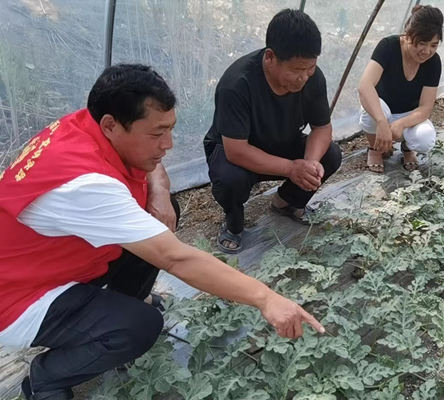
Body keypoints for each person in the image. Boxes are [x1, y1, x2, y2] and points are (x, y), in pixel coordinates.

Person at [0, 64, 324, 400]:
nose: (167, 144)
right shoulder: (87, 186)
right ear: (111, 125)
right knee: (139, 327)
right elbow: (175, 257)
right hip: (19, 298)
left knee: (159, 207)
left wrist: (156, 186)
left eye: (169, 130)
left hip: (48, 260)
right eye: (157, 134)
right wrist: (266, 298)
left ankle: (121, 302)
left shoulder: (88, 124)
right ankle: (47, 378)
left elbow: (149, 168)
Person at [204, 9, 342, 254]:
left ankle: (287, 203)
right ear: (270, 57)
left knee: (329, 154)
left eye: (310, 68)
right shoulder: (237, 84)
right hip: (239, 152)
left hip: (283, 142)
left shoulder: (313, 78)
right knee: (230, 179)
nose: (303, 77)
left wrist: (308, 163)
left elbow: (322, 127)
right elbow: (236, 151)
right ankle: (234, 223)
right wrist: (291, 168)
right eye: (297, 70)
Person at [358, 5, 444, 173]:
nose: (427, 51)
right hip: (382, 112)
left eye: (434, 45)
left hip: (409, 116)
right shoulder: (388, 47)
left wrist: (402, 123)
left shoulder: (434, 62)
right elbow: (365, 86)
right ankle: (374, 148)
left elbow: (426, 107)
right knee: (370, 111)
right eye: (422, 44)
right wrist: (382, 123)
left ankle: (406, 148)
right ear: (408, 35)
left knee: (425, 139)